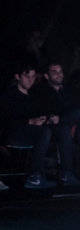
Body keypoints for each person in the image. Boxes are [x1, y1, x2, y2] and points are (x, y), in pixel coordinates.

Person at [1, 61, 57, 189]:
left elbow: (39, 113)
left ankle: (41, 170)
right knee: (44, 132)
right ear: (17, 76)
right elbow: (6, 120)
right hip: (12, 133)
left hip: (29, 132)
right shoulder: (10, 95)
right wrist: (30, 121)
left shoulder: (33, 96)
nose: (30, 80)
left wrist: (47, 118)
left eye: (33, 77)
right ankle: (35, 175)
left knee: (47, 130)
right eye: (27, 76)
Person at [32, 62, 80, 186]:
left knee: (68, 126)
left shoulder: (67, 91)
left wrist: (73, 124)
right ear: (46, 76)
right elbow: (41, 111)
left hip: (65, 125)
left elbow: (73, 109)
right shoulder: (41, 91)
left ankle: (67, 173)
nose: (59, 74)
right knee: (72, 119)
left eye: (60, 71)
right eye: (54, 72)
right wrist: (53, 117)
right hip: (49, 127)